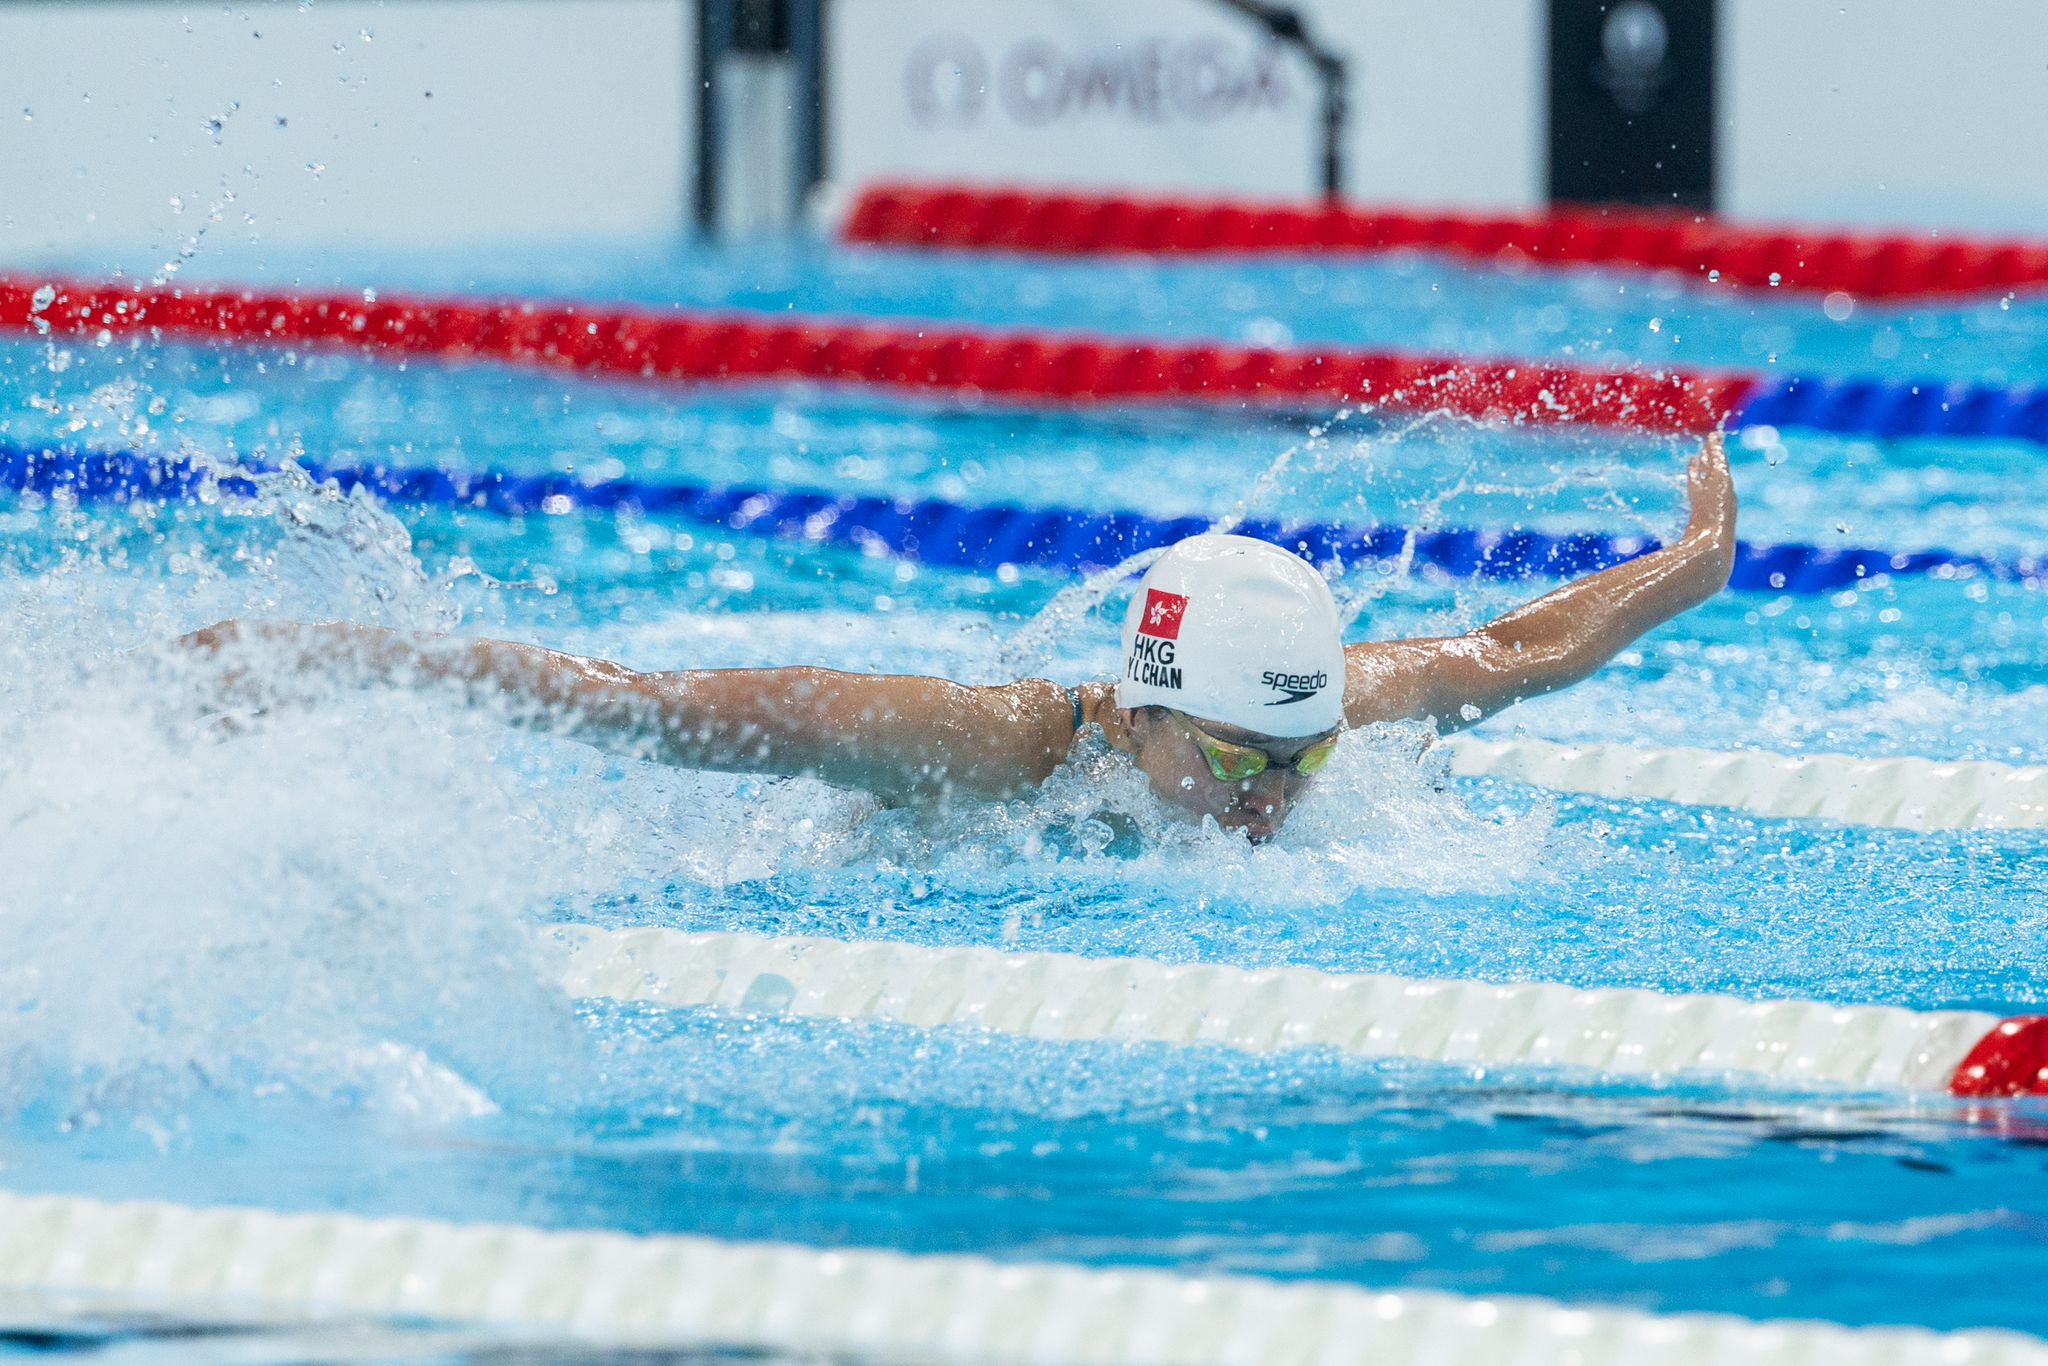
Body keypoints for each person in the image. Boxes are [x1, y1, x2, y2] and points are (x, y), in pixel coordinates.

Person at [175, 435, 1737, 844]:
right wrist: (352, 657)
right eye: (1243, 762)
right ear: (1136, 713)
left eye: (1305, 756)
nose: (1274, 801)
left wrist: (1688, 566)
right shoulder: (978, 748)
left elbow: (1514, 653)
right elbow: (654, 708)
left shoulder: (1299, 711)